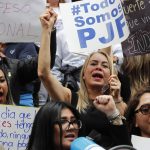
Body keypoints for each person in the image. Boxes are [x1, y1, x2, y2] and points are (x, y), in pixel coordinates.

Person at [38, 8, 131, 149]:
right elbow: (44, 73)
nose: (98, 67)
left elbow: (125, 144)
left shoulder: (119, 105)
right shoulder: (70, 99)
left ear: (111, 76)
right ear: (83, 73)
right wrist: (46, 29)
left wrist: (115, 105)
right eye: (93, 64)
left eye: (105, 66)